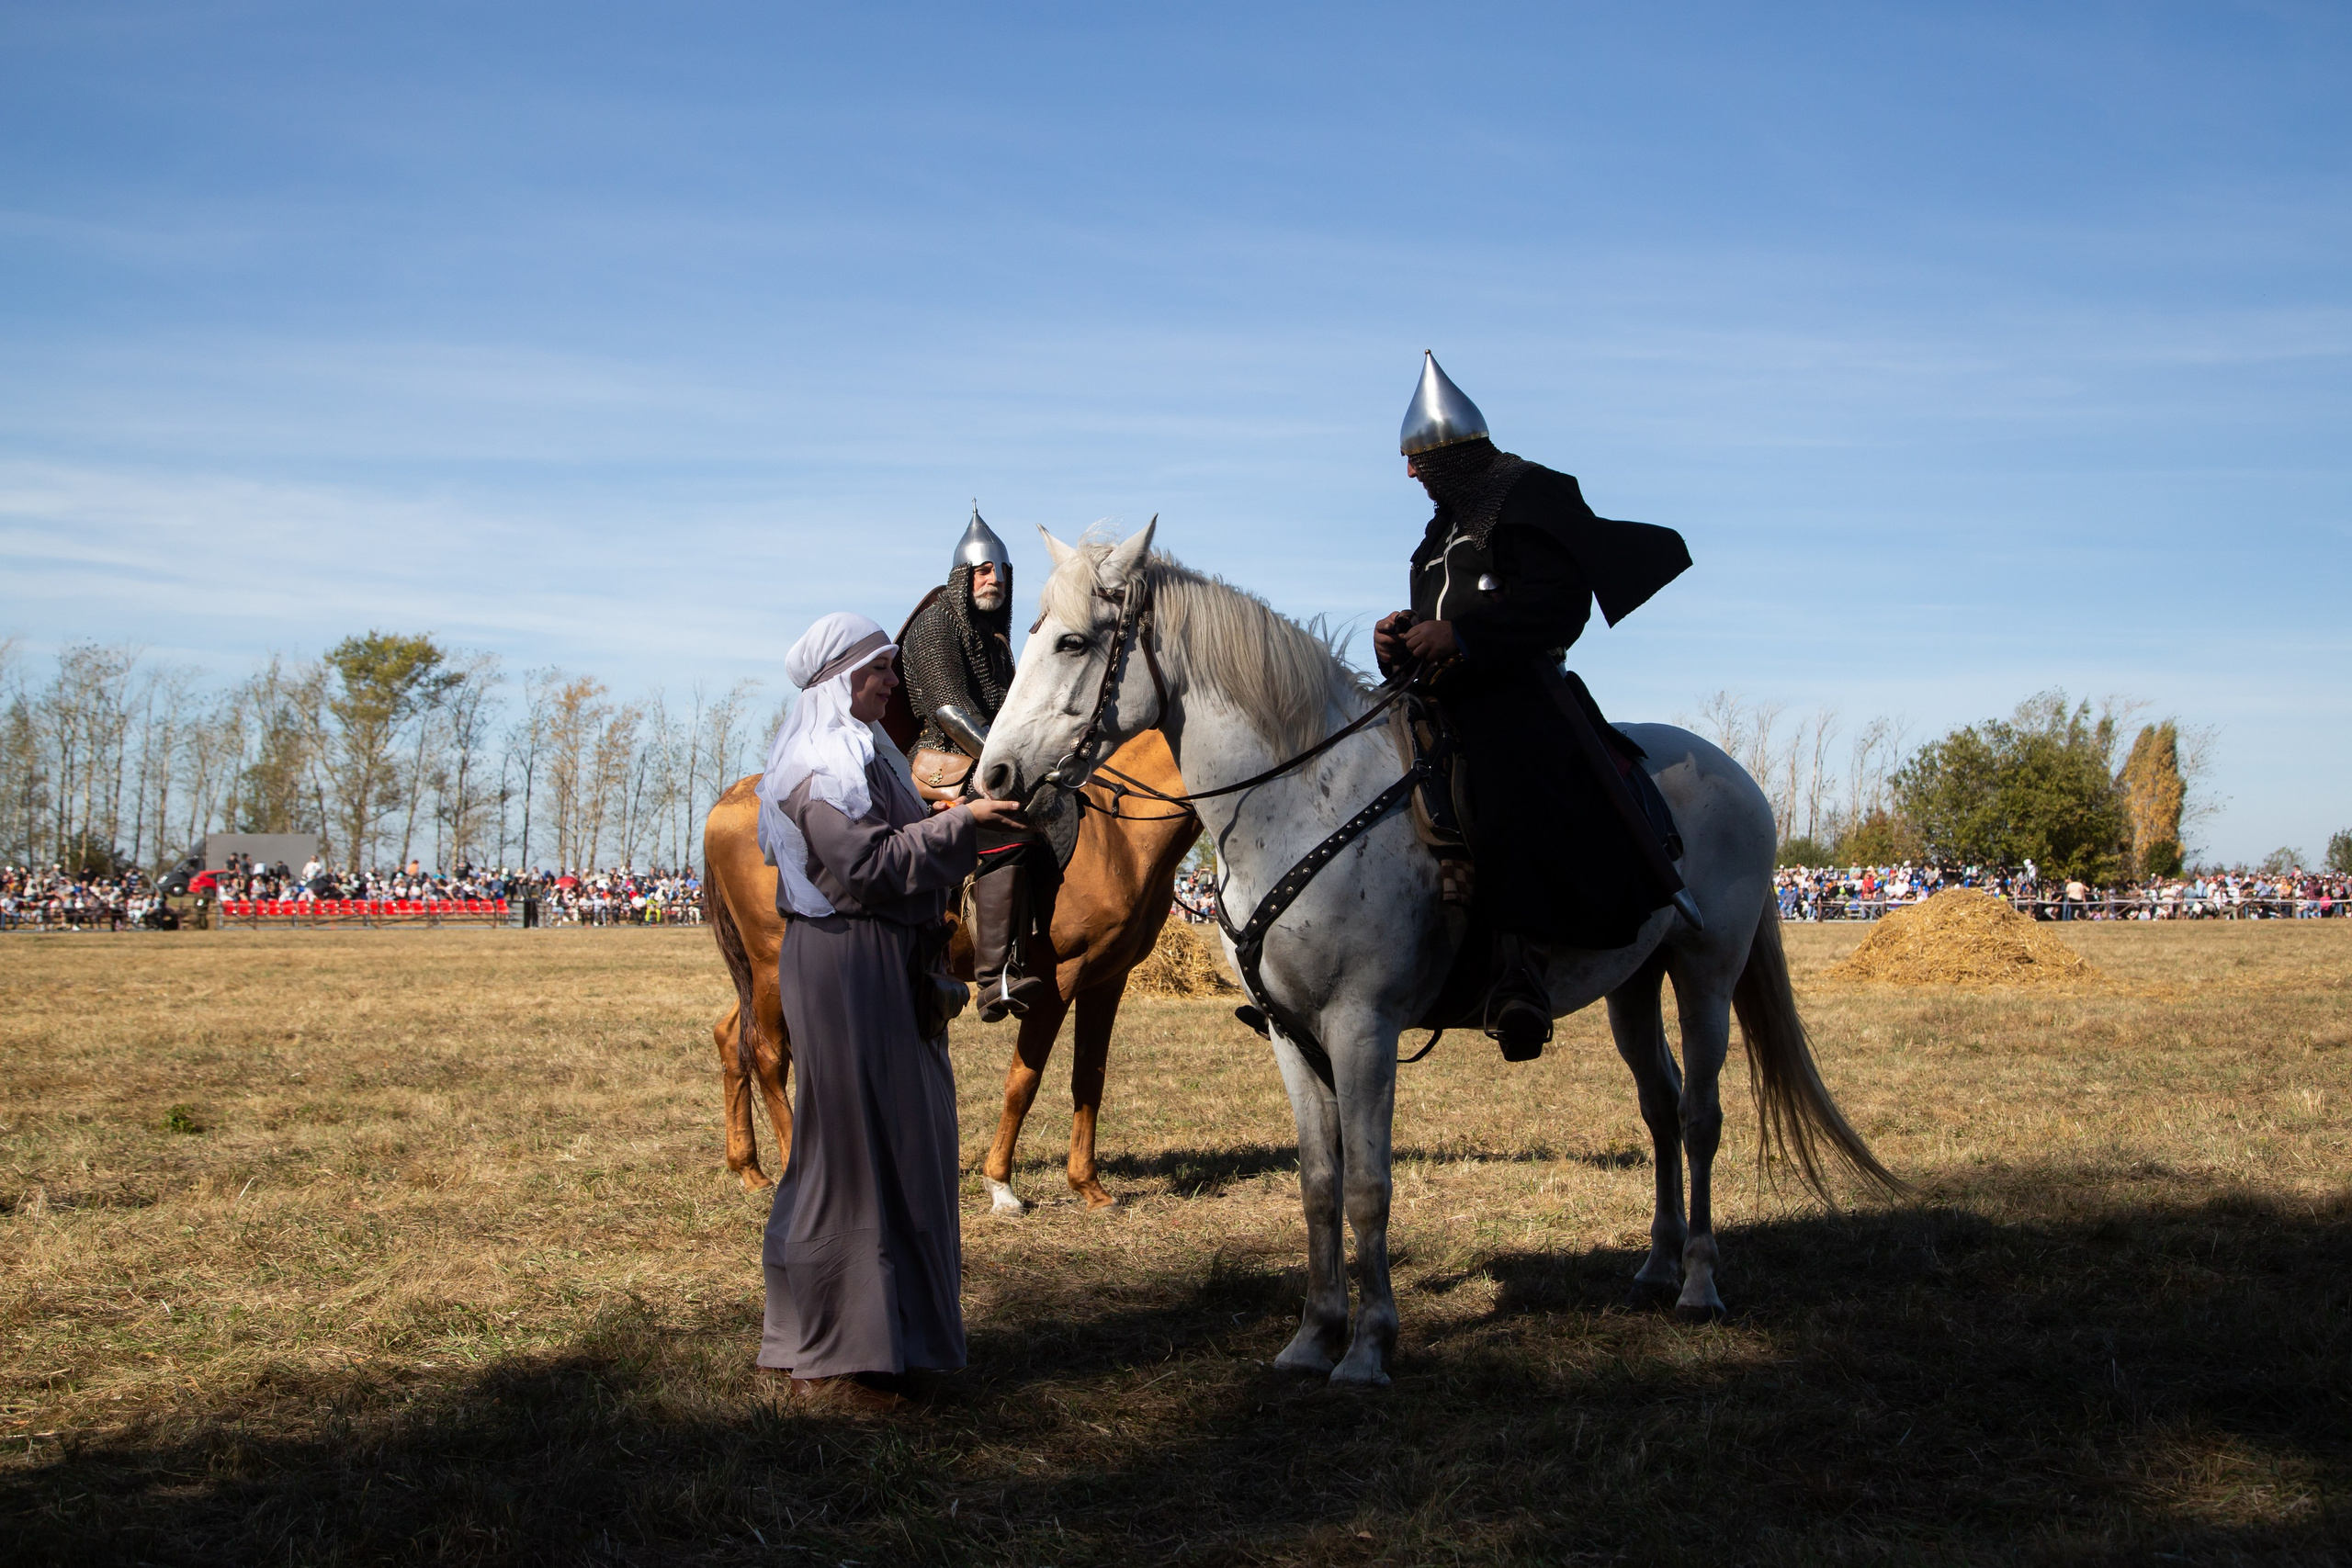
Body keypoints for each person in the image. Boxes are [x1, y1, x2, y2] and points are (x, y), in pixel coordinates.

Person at [1373, 353, 1693, 1061]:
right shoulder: (1442, 529)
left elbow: (1559, 605)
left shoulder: (1526, 493)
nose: (1411, 474)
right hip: (1440, 692)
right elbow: (1440, 613)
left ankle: (1521, 976)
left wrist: (1463, 635)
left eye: (1417, 459)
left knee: (1507, 780)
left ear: (1450, 452)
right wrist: (1398, 639)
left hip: (1518, 691)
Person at [752, 611, 1027, 1410]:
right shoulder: (816, 766)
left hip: (887, 963)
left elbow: (896, 837)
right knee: (852, 1156)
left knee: (898, 1147)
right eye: (880, 668)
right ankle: (842, 1355)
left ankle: (874, 1336)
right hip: (846, 967)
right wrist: (963, 826)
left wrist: (953, 812)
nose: (893, 681)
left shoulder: (865, 754)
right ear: (838, 679)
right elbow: (866, 868)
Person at [896, 506, 1059, 1021]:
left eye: (1001, 571)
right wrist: (1001, 756)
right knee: (1004, 821)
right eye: (983, 570)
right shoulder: (936, 622)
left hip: (988, 754)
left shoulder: (996, 638)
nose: (994, 580)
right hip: (942, 759)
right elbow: (949, 709)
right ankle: (995, 976)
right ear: (962, 575)